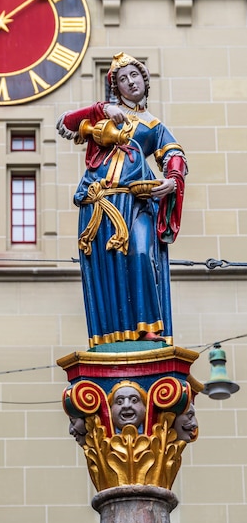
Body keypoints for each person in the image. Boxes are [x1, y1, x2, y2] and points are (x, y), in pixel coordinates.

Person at [56, 52, 187, 347]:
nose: (131, 82)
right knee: (106, 266)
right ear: (116, 87)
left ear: (145, 80)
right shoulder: (103, 115)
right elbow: (65, 124)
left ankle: (147, 327)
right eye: (123, 79)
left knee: (141, 253)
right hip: (100, 203)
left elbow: (174, 155)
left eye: (135, 75)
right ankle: (110, 333)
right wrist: (102, 108)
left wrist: (172, 180)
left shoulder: (154, 126)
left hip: (137, 202)